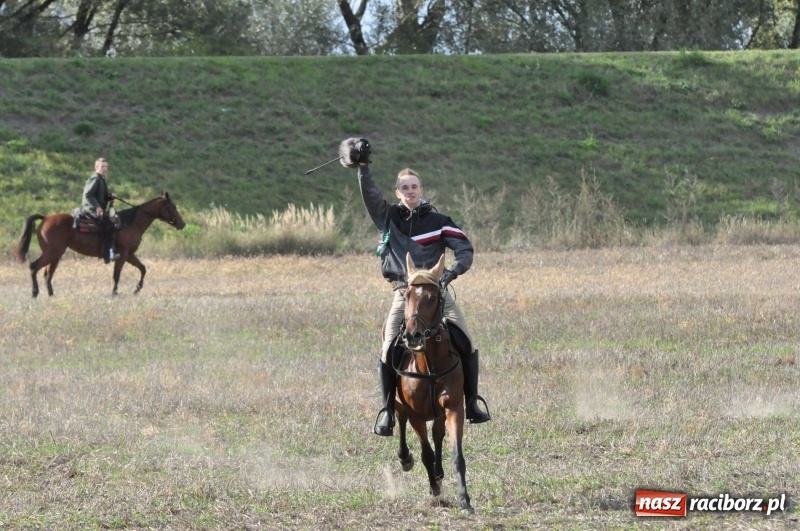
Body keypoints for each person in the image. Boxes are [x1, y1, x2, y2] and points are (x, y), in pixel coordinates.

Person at [342, 138, 491, 436]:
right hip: (404, 294)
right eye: (404, 188)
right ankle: (387, 411)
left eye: (414, 187)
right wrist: (363, 167)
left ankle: (472, 402)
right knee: (388, 346)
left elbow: (465, 248)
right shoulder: (388, 217)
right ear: (397, 193)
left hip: (438, 294)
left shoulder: (440, 221)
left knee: (466, 340)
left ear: (421, 190)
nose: (410, 191)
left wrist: (453, 271)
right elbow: (370, 195)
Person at [79, 157, 119, 263]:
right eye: (102, 166)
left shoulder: (101, 179)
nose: (105, 169)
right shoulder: (95, 178)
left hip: (97, 208)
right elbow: (88, 194)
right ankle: (108, 254)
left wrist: (110, 196)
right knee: (110, 226)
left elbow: (101, 196)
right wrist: (97, 207)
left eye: (106, 167)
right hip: (91, 209)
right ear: (96, 167)